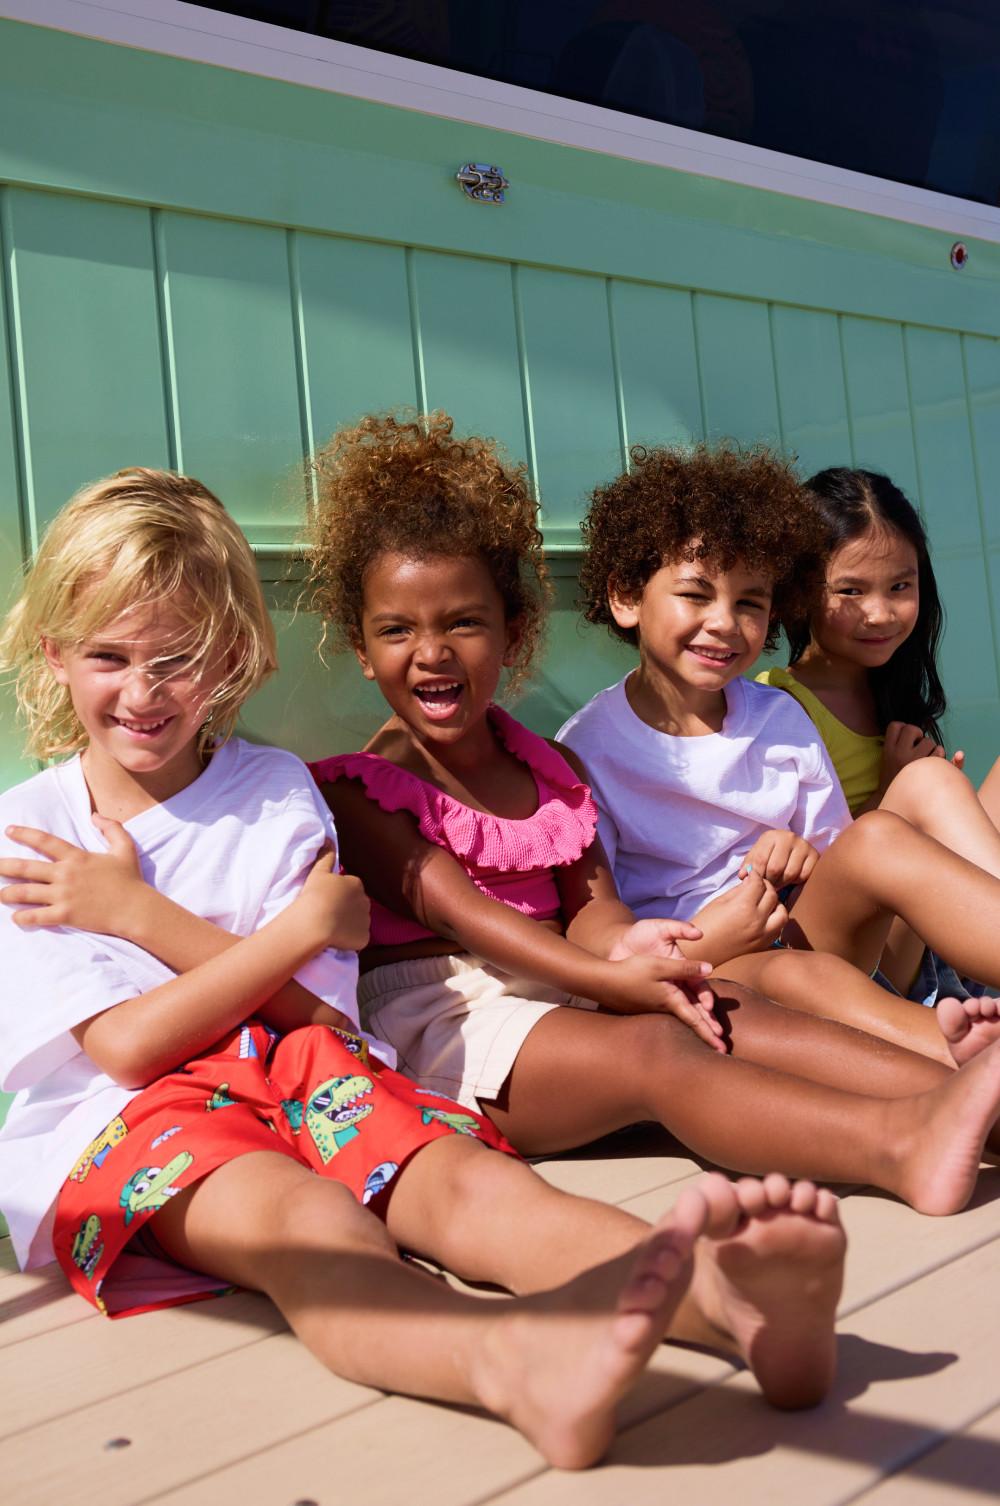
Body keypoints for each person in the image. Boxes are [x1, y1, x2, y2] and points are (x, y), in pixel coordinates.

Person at [0, 467, 857, 1469]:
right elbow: (134, 1041)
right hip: (128, 1117)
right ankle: (499, 1361)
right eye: (109, 656)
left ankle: (728, 1308)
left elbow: (313, 1024)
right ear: (55, 655)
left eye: (179, 658)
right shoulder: (35, 832)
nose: (143, 692)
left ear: (231, 656)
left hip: (302, 1069)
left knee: (468, 1187)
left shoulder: (273, 792)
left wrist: (168, 932)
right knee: (306, 1222)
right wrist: (241, 927)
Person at [301, 410, 1000, 1212]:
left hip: (579, 990)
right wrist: (623, 974)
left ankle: (972, 1101)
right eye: (397, 630)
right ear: (361, 647)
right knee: (673, 1041)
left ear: (513, 633)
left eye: (464, 622)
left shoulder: (546, 767)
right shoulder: (364, 787)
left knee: (720, 1004)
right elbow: (471, 922)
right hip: (455, 1018)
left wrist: (632, 947)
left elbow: (594, 911)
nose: (433, 651)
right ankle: (904, 1142)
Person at [558, 441, 1000, 1066]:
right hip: (711, 969)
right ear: (628, 598)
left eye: (749, 602)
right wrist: (718, 936)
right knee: (801, 979)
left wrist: (803, 856)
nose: (724, 622)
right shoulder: (585, 751)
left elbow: (851, 864)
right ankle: (971, 1067)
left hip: (805, 936)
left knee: (879, 836)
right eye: (695, 594)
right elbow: (599, 925)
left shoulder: (777, 718)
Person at [758, 465, 1000, 1002]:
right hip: (839, 955)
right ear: (799, 592)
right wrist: (895, 795)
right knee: (926, 784)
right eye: (850, 590)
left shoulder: (888, 692)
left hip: (930, 936)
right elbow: (790, 871)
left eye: (900, 586)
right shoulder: (774, 704)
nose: (880, 612)